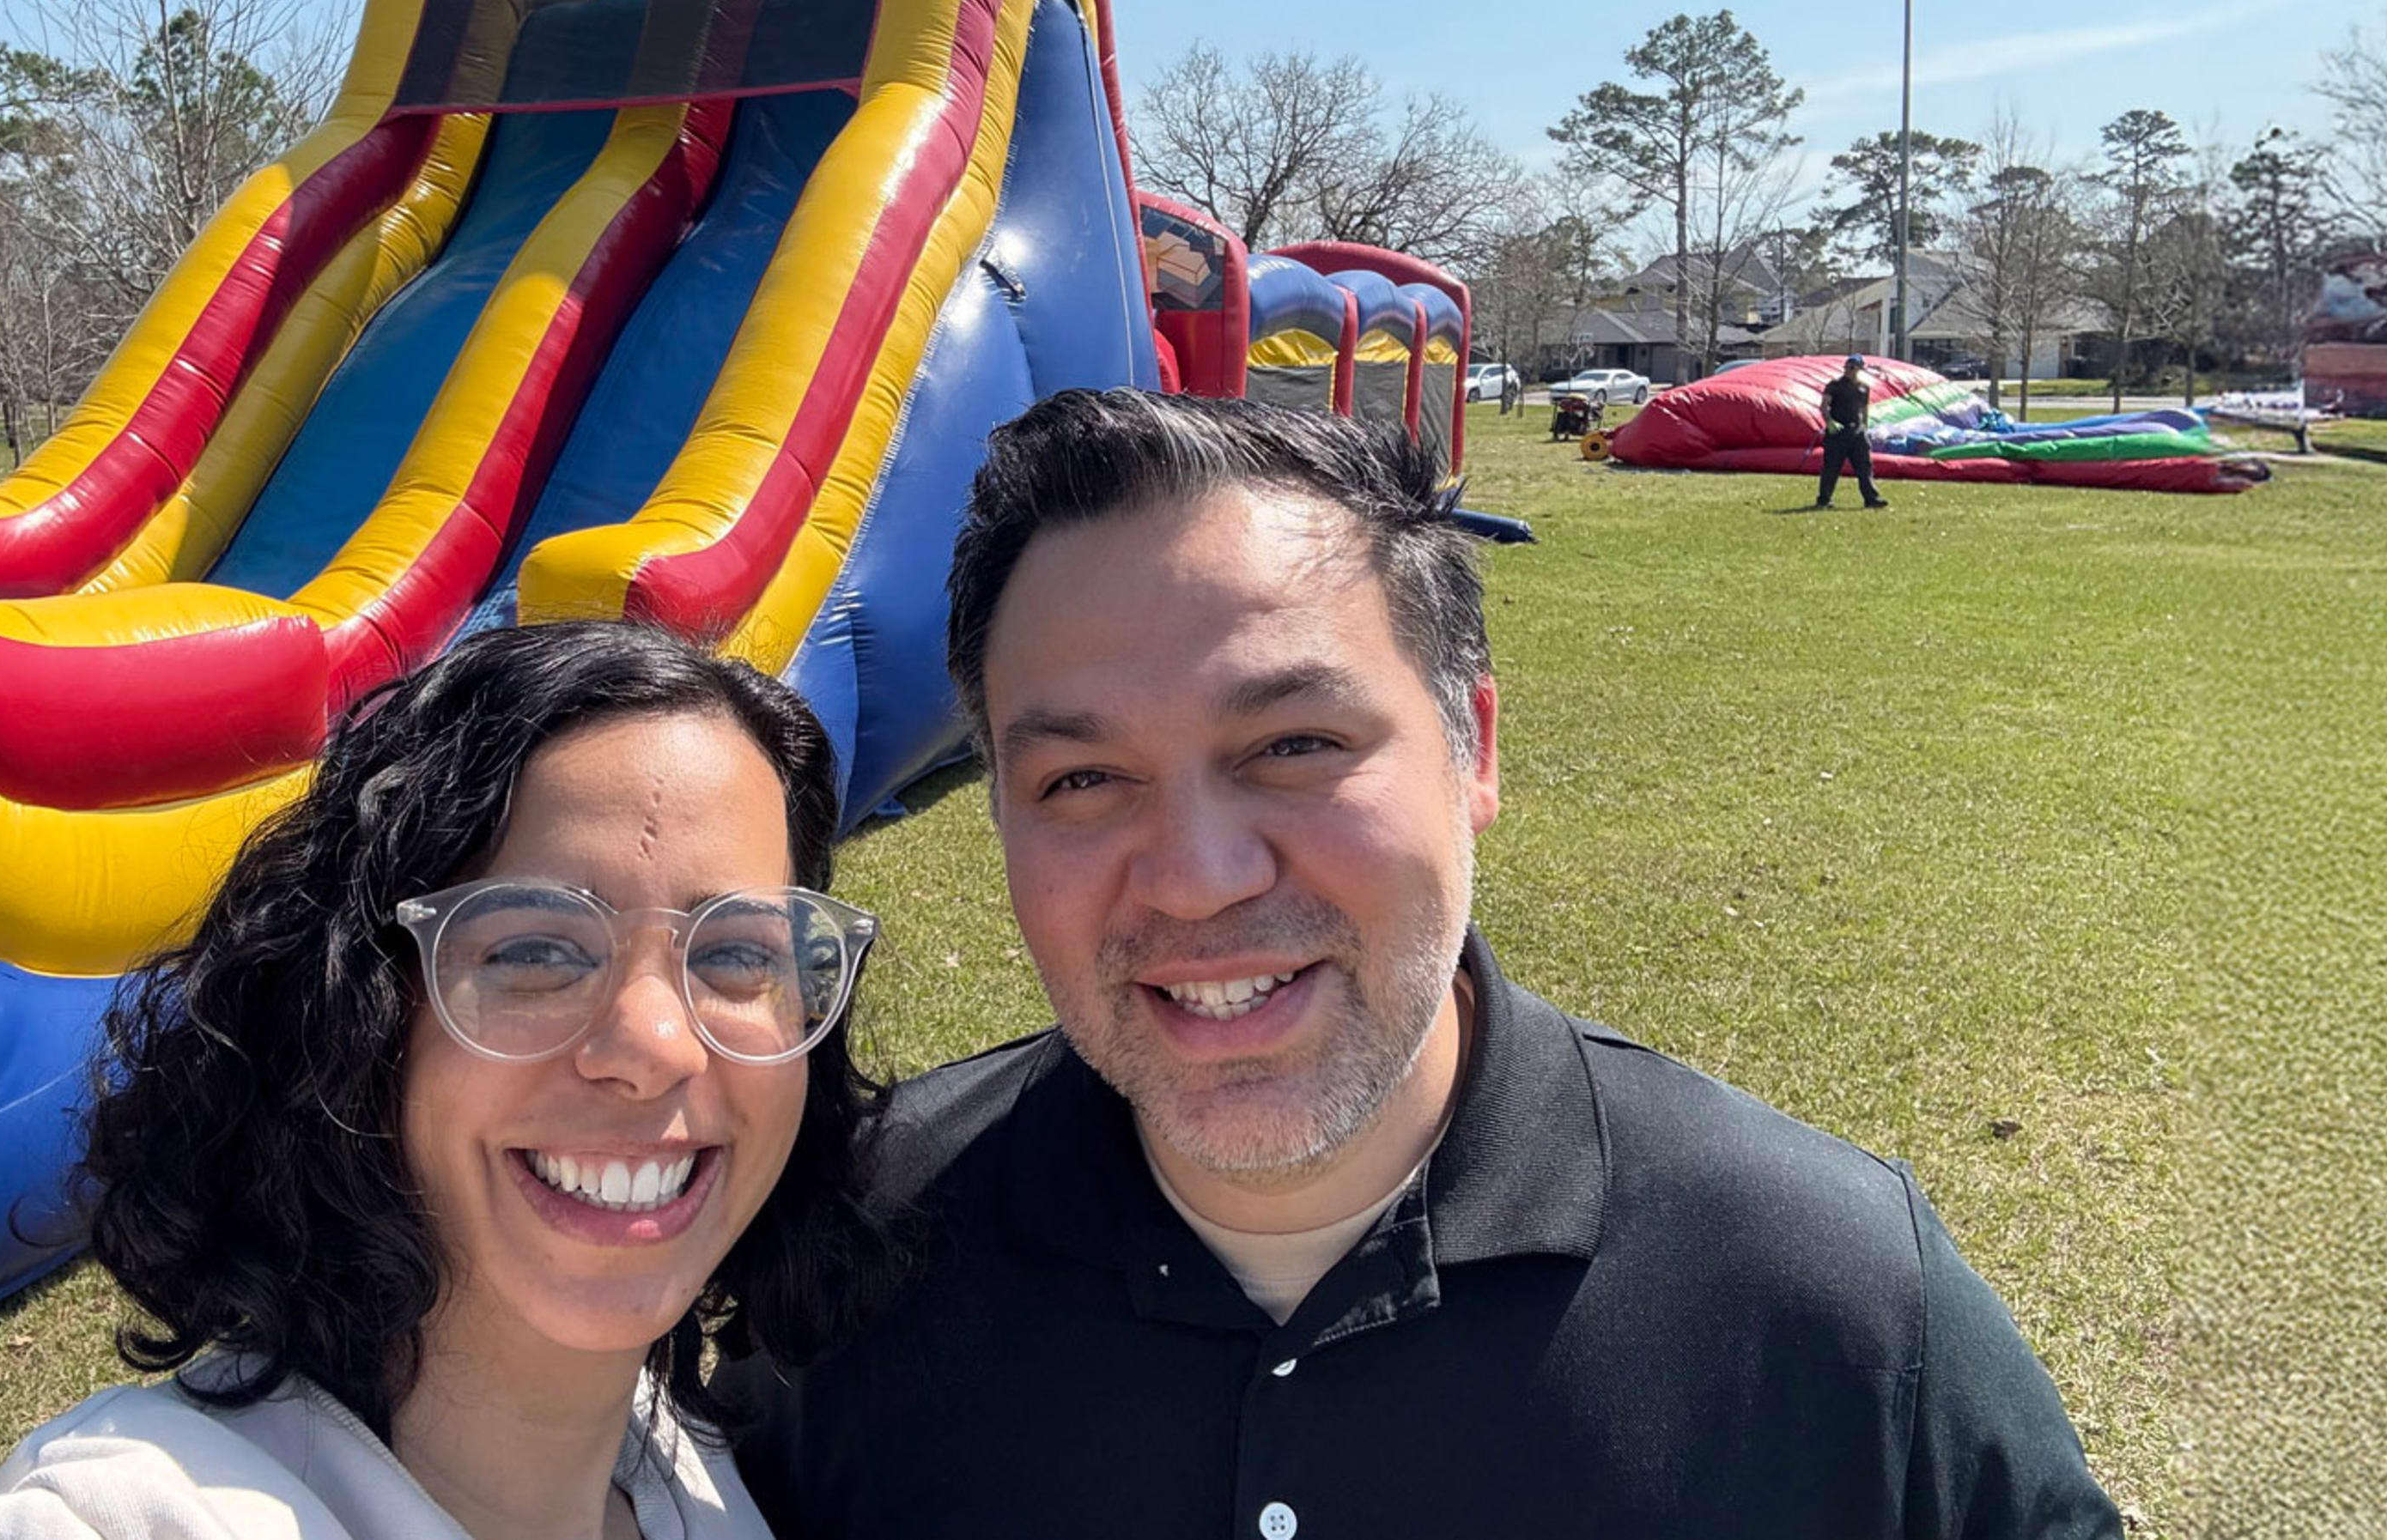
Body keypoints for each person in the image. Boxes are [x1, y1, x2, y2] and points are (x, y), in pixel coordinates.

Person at [736, 391, 2117, 1538]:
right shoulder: (844, 1264)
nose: (1198, 875)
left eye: (1292, 746)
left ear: (1477, 750)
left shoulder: (1828, 1301)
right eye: (1085, 776)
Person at [0, 620, 893, 1540]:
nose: (656, 1041)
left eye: (739, 953)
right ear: (357, 1015)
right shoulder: (150, 1511)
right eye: (534, 948)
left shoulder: (682, 1461)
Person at [1818, 351, 1890, 508]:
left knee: (1864, 467)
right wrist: (1829, 421)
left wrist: (1865, 427)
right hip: (1838, 433)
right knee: (1831, 467)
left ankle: (1871, 499)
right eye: (1847, 367)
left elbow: (1864, 409)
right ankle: (1824, 500)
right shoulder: (1835, 385)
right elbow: (1824, 406)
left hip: (1857, 432)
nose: (1849, 370)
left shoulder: (1863, 388)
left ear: (1859, 369)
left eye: (1852, 367)